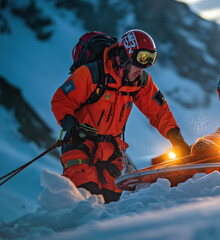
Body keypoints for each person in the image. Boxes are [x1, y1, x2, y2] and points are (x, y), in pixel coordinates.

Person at [51, 29, 190, 203]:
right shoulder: (92, 74)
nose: (142, 69)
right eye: (139, 62)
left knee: (111, 203)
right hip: (80, 145)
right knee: (86, 197)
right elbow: (61, 100)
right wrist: (71, 125)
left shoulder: (140, 82)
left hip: (111, 150)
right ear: (124, 56)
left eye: (149, 61)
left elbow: (159, 111)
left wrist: (175, 136)